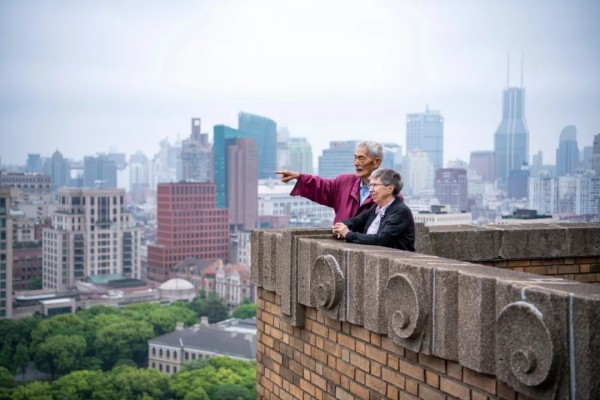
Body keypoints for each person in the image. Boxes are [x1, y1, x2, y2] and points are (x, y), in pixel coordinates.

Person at [275, 141, 383, 223]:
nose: (356, 163)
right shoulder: (345, 182)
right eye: (355, 158)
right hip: (340, 245)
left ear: (376, 162)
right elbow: (321, 186)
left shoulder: (388, 193)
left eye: (361, 159)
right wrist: (299, 177)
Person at [332, 168, 415, 251]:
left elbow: (381, 239)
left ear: (390, 189)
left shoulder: (400, 211)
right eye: (370, 185)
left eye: (375, 185)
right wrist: (339, 226)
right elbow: (355, 221)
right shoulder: (376, 208)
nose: (370, 190)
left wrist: (348, 234)